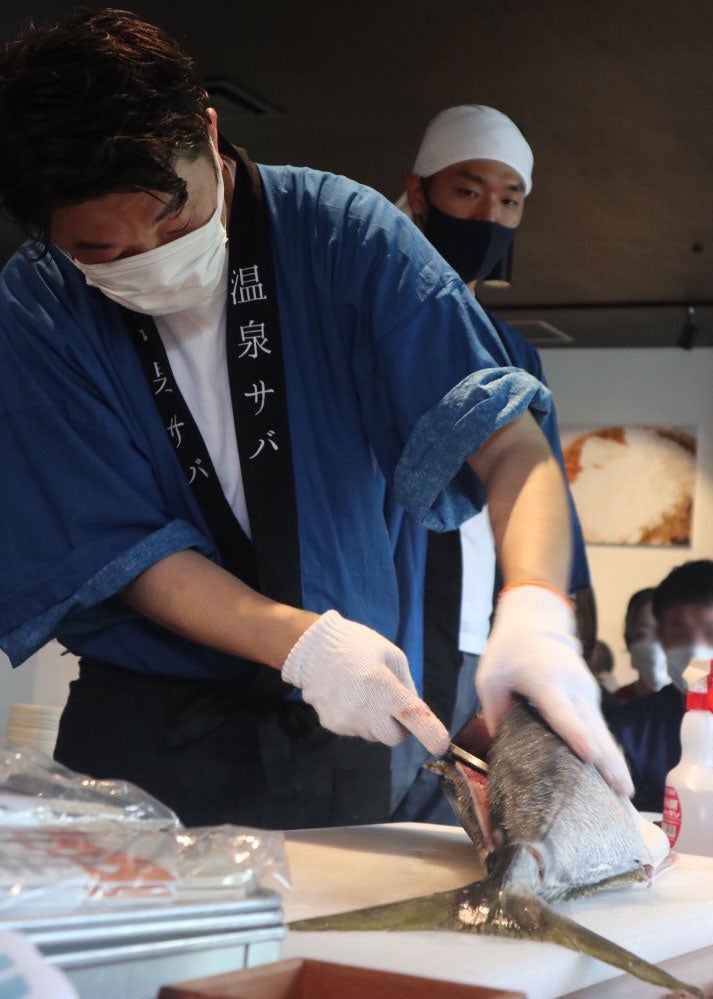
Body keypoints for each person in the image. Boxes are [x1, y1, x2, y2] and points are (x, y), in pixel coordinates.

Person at [0, 12, 630, 829]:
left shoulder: (342, 235)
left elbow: (508, 441)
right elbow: (115, 545)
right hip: (143, 729)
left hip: (335, 727)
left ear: (209, 129)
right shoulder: (37, 304)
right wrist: (300, 643)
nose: (149, 258)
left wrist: (539, 608)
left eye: (174, 218)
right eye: (102, 252)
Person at [388, 106, 592, 822]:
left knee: (461, 830)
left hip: (486, 628)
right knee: (374, 815)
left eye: (508, 199)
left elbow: (546, 489)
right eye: (466, 191)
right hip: (393, 615)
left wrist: (561, 614)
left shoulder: (513, 349)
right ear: (418, 193)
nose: (488, 214)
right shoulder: (374, 320)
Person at [610, 560, 713, 825]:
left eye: (712, 632)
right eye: (679, 632)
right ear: (661, 638)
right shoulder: (630, 729)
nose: (697, 647)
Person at [615, 587, 670, 704]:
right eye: (643, 634)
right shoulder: (614, 709)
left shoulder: (698, 714)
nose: (656, 645)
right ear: (629, 642)